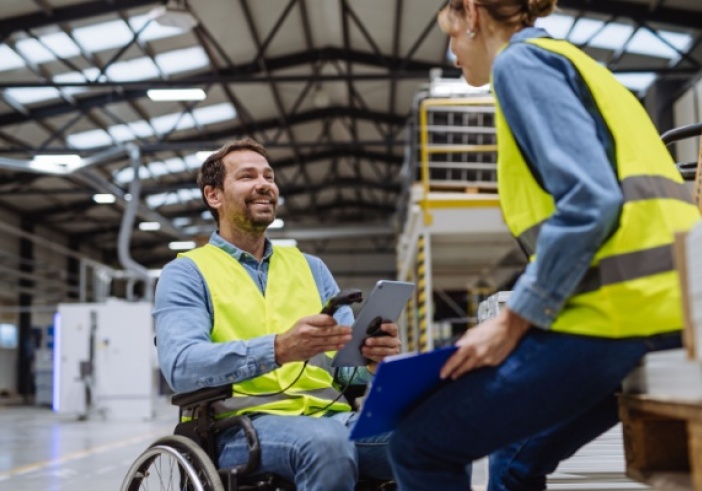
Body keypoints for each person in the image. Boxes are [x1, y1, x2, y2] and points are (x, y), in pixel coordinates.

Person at [387, 1, 701, 490]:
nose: (451, 54)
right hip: (672, 311)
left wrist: (513, 323)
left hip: (619, 316)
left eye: (450, 35)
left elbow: (589, 200)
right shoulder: (579, 64)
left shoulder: (520, 64)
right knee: (514, 462)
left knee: (418, 443)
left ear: (472, 13)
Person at [153, 137, 401, 491]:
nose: (264, 184)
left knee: (433, 437)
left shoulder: (311, 268)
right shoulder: (188, 273)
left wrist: (371, 359)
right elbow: (181, 366)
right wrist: (279, 349)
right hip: (240, 428)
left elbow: (347, 374)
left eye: (269, 177)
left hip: (333, 418)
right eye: (247, 176)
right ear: (214, 196)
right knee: (327, 446)